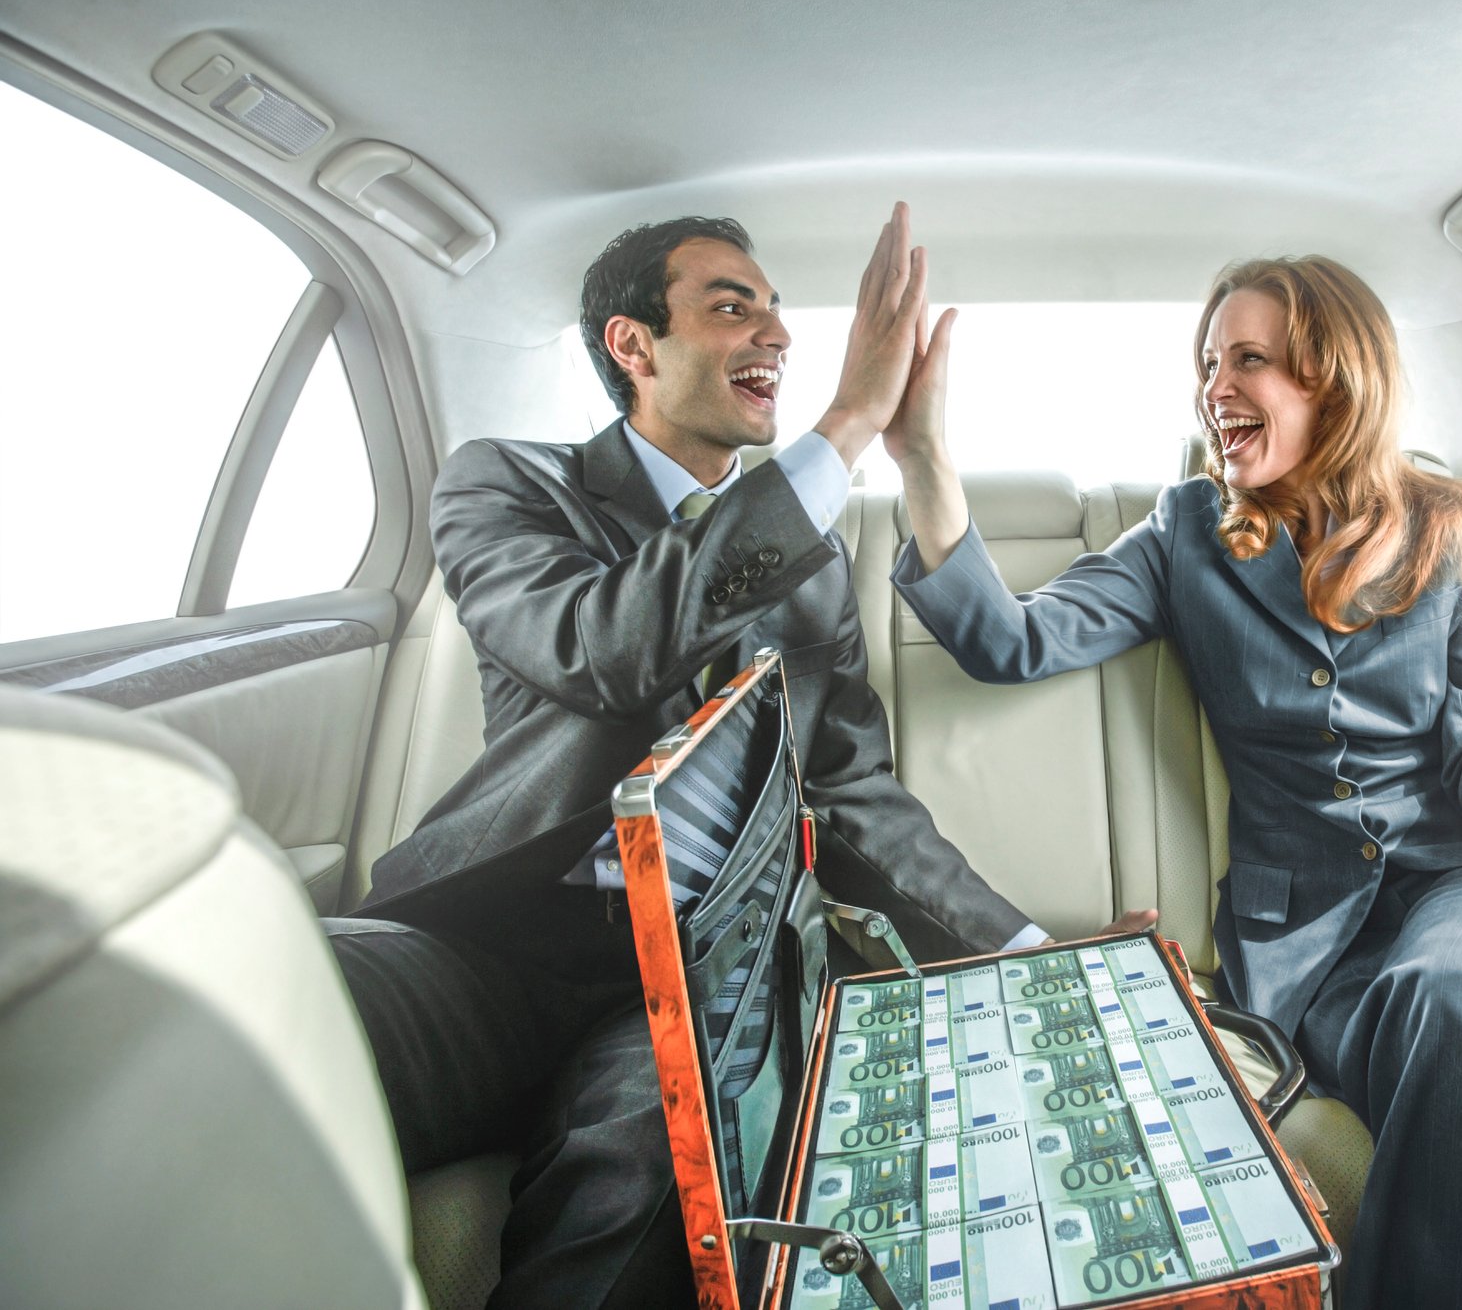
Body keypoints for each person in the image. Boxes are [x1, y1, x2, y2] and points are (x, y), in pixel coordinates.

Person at [887, 256, 1462, 1309]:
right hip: (1319, 945)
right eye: (1208, 364)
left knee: (1457, 988)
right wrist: (922, 456)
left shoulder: (1450, 525)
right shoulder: (1185, 534)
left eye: (1248, 360)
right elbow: (1011, 640)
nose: (1215, 387)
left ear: (1334, 376)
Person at [328, 206, 1144, 1309]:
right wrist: (849, 421)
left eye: (773, 308)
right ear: (633, 345)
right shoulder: (512, 485)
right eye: (729, 305)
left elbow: (853, 793)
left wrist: (1035, 953)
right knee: (273, 995)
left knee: (646, 1160)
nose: (775, 332)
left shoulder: (807, 559)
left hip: (699, 977)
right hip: (489, 938)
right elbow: (600, 647)